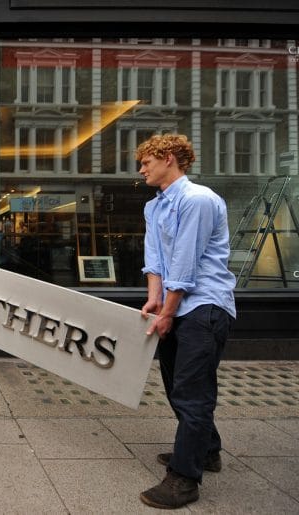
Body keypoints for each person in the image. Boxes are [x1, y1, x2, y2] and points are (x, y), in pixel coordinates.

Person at [135, 134, 236, 509]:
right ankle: (206, 450)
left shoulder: (197, 200)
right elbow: (155, 261)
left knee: (193, 393)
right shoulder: (154, 207)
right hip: (176, 307)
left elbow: (185, 262)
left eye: (147, 162)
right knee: (179, 388)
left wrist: (167, 312)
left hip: (205, 307)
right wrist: (155, 299)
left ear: (170, 159)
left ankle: (184, 479)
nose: (141, 169)